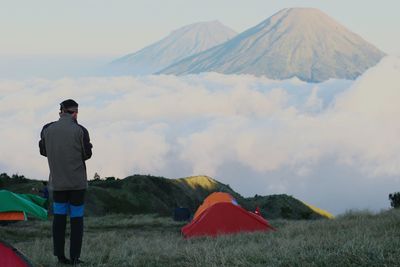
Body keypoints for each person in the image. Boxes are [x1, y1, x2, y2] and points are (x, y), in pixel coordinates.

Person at [39, 99, 93, 265]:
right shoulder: (80, 130)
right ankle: (75, 258)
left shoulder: (47, 129)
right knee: (76, 221)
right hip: (77, 184)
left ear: (61, 111)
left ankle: (60, 257)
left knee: (59, 220)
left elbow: (43, 151)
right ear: (75, 112)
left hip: (58, 183)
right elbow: (87, 154)